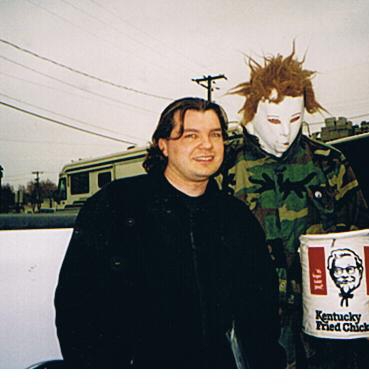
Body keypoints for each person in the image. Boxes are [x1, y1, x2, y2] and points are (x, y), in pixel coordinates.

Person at [54, 97, 285, 368]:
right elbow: (78, 307)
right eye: (190, 135)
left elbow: (261, 315)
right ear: (163, 145)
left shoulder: (237, 218)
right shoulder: (115, 206)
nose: (207, 145)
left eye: (215, 134)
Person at [219, 49, 369, 368]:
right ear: (251, 115)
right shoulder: (224, 166)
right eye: (273, 120)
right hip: (252, 331)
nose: (285, 133)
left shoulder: (329, 164)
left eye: (294, 119)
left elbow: (366, 236)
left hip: (327, 335)